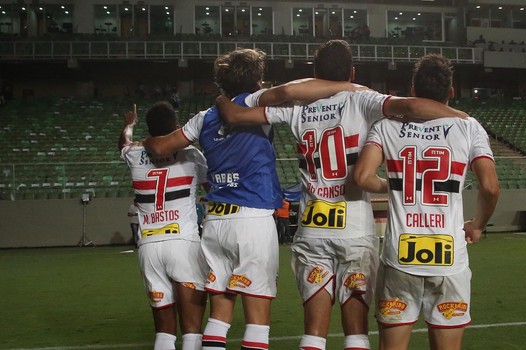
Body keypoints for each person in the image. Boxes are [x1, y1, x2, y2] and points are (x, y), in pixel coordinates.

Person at [214, 40, 469, 350]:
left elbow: (238, 115)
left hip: (312, 229)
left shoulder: (297, 107)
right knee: (356, 335)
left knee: (313, 334)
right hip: (355, 232)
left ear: (315, 73)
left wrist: (222, 103)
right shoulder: (363, 99)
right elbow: (413, 107)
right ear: (351, 71)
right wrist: (458, 116)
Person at [144, 48, 362, 350]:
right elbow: (288, 91)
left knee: (218, 318)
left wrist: (139, 141)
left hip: (216, 222)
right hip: (252, 220)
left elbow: (161, 147)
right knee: (257, 320)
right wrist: (347, 86)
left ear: (222, 84)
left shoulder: (204, 116)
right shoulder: (254, 102)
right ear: (257, 79)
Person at [352, 54, 500, 350]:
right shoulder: (469, 127)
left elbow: (362, 177)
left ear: (413, 90)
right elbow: (490, 187)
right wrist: (478, 225)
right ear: (451, 92)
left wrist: (395, 185)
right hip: (450, 260)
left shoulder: (386, 126)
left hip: (399, 259)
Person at [119, 102, 209, 350]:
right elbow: (211, 190)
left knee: (164, 331)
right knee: (191, 329)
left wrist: (129, 124)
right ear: (176, 128)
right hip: (183, 243)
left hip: (149, 246)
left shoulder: (134, 153)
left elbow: (123, 144)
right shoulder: (192, 155)